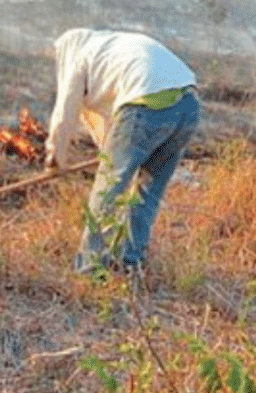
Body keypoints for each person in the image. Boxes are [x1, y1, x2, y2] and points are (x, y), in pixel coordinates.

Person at [44, 28, 200, 274]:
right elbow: (112, 122)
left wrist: (55, 158)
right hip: (189, 106)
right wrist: (112, 151)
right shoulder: (116, 46)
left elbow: (65, 113)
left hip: (145, 106)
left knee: (108, 190)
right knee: (149, 190)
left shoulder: (79, 56)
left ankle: (90, 268)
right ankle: (131, 263)